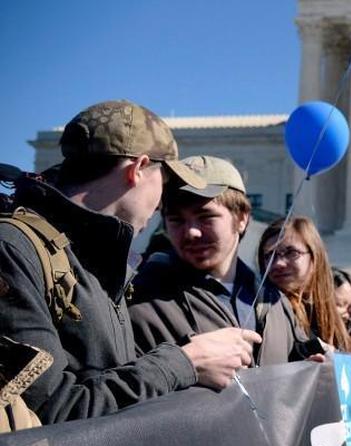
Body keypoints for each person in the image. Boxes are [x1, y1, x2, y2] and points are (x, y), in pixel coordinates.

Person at [0, 100, 259, 424]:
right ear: (138, 169)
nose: (161, 204)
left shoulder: (100, 262)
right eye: (163, 181)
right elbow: (54, 414)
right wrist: (185, 362)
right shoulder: (13, 250)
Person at [130, 156, 313, 365]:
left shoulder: (274, 302)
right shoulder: (142, 301)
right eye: (176, 220)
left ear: (242, 218)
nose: (191, 232)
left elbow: (297, 367)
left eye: (206, 217)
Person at [257, 216, 351, 355]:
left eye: (291, 253)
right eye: (269, 256)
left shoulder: (330, 310)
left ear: (315, 256)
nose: (278, 264)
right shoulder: (262, 309)